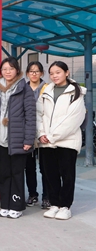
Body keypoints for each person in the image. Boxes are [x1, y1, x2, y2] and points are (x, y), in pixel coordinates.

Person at [38, 62, 86, 221]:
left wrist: (52, 136)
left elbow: (74, 119)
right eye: (51, 73)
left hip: (67, 142)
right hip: (46, 142)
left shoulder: (76, 92)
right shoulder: (46, 91)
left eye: (58, 72)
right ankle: (54, 204)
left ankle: (65, 206)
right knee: (50, 174)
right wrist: (41, 134)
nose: (54, 76)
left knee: (67, 175)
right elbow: (39, 115)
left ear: (67, 72)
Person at [0, 57, 36, 219]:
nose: (7, 72)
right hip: (0, 139)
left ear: (17, 70)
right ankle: (5, 205)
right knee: (3, 174)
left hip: (17, 140)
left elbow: (30, 116)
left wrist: (29, 140)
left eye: (11, 68)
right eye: (4, 69)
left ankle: (16, 206)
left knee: (16, 174)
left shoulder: (24, 89)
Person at [25, 61, 49, 208]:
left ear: (41, 73)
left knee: (45, 167)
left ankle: (47, 196)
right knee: (29, 167)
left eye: (37, 71)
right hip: (28, 133)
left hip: (43, 133)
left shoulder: (48, 88)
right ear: (27, 73)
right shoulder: (23, 88)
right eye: (31, 71)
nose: (34, 74)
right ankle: (32, 194)